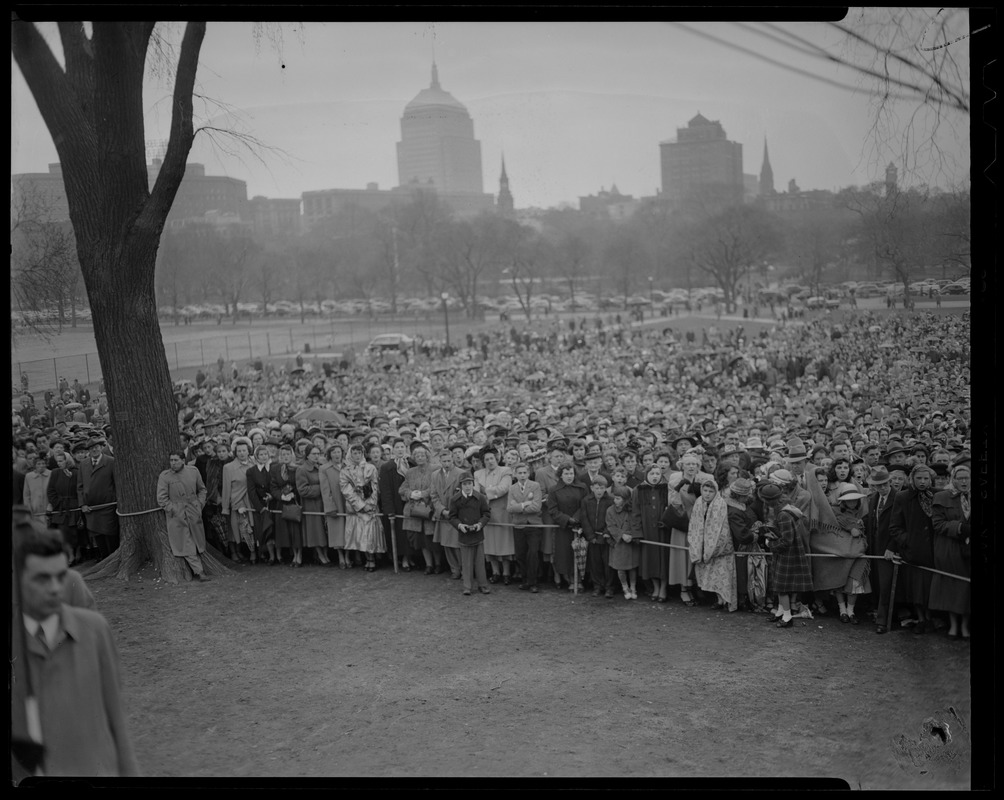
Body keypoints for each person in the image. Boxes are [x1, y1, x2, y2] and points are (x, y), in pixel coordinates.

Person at [13, 524, 140, 777]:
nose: (54, 588)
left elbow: (115, 716)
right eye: (41, 578)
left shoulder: (95, 630)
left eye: (60, 576)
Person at [888, 464, 937, 635]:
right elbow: (894, 526)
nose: (922, 482)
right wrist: (908, 541)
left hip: (933, 551)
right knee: (916, 588)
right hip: (913, 552)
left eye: (926, 478)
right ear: (912, 479)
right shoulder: (903, 497)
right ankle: (921, 619)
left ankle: (930, 618)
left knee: (930, 587)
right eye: (919, 478)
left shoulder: (937, 495)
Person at [759, 480, 813, 629]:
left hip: (786, 555)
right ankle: (780, 612)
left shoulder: (783, 515)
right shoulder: (786, 510)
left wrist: (771, 544)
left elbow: (787, 541)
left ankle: (787, 617)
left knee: (782, 588)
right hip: (786, 554)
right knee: (779, 586)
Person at [929, 464, 971, 640]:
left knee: (968, 588)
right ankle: (954, 625)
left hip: (969, 549)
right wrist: (960, 528)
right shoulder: (942, 497)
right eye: (959, 478)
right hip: (950, 548)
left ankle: (965, 625)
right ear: (952, 480)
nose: (963, 481)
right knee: (953, 586)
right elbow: (937, 524)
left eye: (966, 478)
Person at [156, 450, 211, 581]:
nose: (173, 463)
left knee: (197, 538)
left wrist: (199, 504)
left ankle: (201, 568)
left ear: (183, 460)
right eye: (171, 460)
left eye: (176, 460)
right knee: (185, 541)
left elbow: (202, 489)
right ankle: (199, 571)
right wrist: (172, 509)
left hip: (193, 509)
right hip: (177, 512)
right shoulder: (165, 476)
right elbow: (161, 497)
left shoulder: (193, 471)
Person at [688, 478, 738, 612]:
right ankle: (718, 599)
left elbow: (721, 526)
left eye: (711, 491)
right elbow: (694, 524)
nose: (707, 494)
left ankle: (724, 599)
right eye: (705, 490)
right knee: (709, 574)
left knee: (722, 574)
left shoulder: (720, 504)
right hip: (703, 544)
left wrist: (713, 546)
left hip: (719, 547)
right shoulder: (699, 503)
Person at [864, 466, 900, 634]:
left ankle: (883, 621)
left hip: (889, 548)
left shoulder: (899, 498)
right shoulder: (872, 498)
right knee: (877, 583)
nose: (882, 488)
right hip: (875, 547)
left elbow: (901, 525)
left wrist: (892, 547)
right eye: (878, 485)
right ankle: (877, 614)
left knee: (886, 584)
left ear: (890, 482)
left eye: (884, 484)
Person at [340, 442, 384, 571]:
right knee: (359, 534)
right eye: (354, 453)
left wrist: (369, 504)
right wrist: (360, 505)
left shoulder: (370, 468)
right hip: (355, 507)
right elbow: (346, 490)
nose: (357, 455)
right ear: (350, 454)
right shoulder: (345, 471)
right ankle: (365, 558)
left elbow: (375, 487)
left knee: (370, 533)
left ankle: (372, 559)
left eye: (359, 453)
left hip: (370, 505)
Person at [447, 471, 492, 596]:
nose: (467, 486)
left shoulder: (480, 497)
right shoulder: (455, 500)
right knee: (466, 563)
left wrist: (480, 524)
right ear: (460, 485)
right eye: (465, 484)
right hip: (464, 534)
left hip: (477, 534)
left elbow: (486, 514)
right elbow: (452, 517)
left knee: (480, 562)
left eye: (470, 483)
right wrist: (460, 525)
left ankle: (483, 585)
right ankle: (467, 586)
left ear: (473, 484)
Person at [476, 448, 515, 584]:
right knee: (489, 544)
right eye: (486, 459)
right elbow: (475, 492)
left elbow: (504, 488)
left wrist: (485, 491)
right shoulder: (478, 474)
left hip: (502, 512)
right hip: (485, 513)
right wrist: (482, 493)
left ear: (497, 458)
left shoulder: (505, 471)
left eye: (492, 458)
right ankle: (495, 572)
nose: (489, 461)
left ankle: (506, 573)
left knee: (504, 544)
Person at [76, 437, 119, 561]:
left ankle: (113, 558)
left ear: (101, 447)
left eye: (96, 447)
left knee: (110, 533)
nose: (94, 450)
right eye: (91, 448)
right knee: (97, 534)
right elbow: (80, 486)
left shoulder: (111, 461)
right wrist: (82, 504)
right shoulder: (83, 464)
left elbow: (117, 483)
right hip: (91, 508)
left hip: (108, 506)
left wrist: (116, 501)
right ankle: (105, 557)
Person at [547, 463, 588, 590]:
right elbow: (553, 510)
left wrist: (576, 518)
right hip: (563, 527)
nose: (569, 476)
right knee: (565, 553)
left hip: (580, 526)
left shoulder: (582, 487)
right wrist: (567, 520)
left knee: (580, 552)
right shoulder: (554, 490)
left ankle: (581, 579)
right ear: (560, 475)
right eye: (566, 474)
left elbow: (585, 504)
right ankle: (570, 578)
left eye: (571, 473)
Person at [401, 443, 440, 573]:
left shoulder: (435, 469)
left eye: (422, 455)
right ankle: (428, 565)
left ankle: (438, 564)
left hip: (430, 509)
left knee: (432, 539)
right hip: (416, 511)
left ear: (427, 456)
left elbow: (437, 486)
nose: (420, 457)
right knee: (421, 540)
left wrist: (423, 494)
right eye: (417, 455)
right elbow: (402, 489)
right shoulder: (410, 472)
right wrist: (410, 494)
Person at [507, 461, 544, 593]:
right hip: (518, 525)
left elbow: (537, 507)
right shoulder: (512, 488)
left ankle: (533, 582)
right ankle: (525, 580)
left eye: (525, 473)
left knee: (533, 553)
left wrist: (518, 506)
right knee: (520, 554)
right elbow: (509, 508)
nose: (522, 475)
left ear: (528, 473)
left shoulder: (535, 486)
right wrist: (524, 505)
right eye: (520, 473)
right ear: (515, 474)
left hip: (534, 525)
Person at [430, 446, 467, 580]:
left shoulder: (461, 473)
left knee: (458, 544)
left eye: (449, 461)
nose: (446, 464)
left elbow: (464, 494)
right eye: (444, 461)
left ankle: (464, 570)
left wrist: (452, 511)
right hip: (443, 514)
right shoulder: (435, 475)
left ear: (453, 460)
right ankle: (454, 569)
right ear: (440, 461)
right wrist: (441, 510)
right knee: (446, 544)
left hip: (457, 515)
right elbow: (434, 495)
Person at [580, 474, 615, 597]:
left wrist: (606, 533)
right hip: (592, 538)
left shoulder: (610, 500)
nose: (599, 490)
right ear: (591, 488)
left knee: (607, 563)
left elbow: (612, 519)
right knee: (595, 563)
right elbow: (584, 519)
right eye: (596, 488)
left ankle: (609, 587)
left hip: (605, 538)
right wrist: (591, 536)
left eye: (602, 488)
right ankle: (597, 586)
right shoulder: (586, 500)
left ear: (606, 488)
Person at [221, 438, 256, 564]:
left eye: (244, 450)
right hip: (237, 501)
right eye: (239, 451)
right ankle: (237, 552)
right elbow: (226, 488)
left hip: (251, 500)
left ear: (248, 451)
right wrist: (225, 507)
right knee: (240, 528)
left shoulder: (254, 463)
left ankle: (253, 552)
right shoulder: (228, 468)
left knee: (252, 526)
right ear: (235, 452)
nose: (241, 453)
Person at [297, 445, 332, 566]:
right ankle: (320, 555)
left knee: (324, 529)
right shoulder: (302, 469)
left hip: (323, 502)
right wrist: (322, 488)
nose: (317, 456)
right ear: (307, 455)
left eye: (318, 453)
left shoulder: (321, 467)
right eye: (314, 454)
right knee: (316, 531)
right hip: (311, 504)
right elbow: (302, 490)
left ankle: (325, 554)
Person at [47, 450, 83, 565]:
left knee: (76, 532)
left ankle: (78, 553)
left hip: (74, 506)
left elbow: (80, 489)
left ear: (67, 461)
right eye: (57, 461)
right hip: (61, 508)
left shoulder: (76, 472)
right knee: (64, 533)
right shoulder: (55, 473)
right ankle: (70, 556)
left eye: (61, 461)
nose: (59, 463)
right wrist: (57, 503)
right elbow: (51, 490)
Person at [271, 443, 303, 567]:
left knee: (296, 531)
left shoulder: (297, 468)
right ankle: (292, 554)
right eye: (283, 454)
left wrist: (294, 494)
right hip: (282, 504)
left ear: (292, 455)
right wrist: (281, 496)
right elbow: (273, 486)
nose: (285, 456)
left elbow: (300, 484)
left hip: (295, 503)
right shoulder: (276, 468)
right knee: (287, 531)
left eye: (288, 454)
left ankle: (299, 555)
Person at [245, 444, 277, 565]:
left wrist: (273, 496)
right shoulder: (251, 471)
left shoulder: (274, 468)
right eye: (261, 455)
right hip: (261, 505)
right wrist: (260, 507)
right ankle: (267, 555)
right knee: (264, 530)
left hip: (274, 503)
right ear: (256, 456)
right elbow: (251, 491)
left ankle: (277, 555)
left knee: (276, 530)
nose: (263, 457)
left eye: (265, 454)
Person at [319, 444, 349, 568]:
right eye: (334, 452)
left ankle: (348, 556)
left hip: (348, 502)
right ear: (329, 454)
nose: (337, 454)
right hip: (335, 502)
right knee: (337, 531)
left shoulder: (348, 466)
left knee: (349, 530)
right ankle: (340, 557)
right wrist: (330, 506)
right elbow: (325, 490)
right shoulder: (324, 469)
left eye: (339, 452)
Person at [23, 452, 51, 523]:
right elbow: (26, 495)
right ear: (35, 465)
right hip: (34, 512)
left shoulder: (52, 474)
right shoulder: (28, 476)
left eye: (43, 463)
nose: (41, 466)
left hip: (49, 511)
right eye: (38, 464)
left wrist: (51, 506)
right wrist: (29, 510)